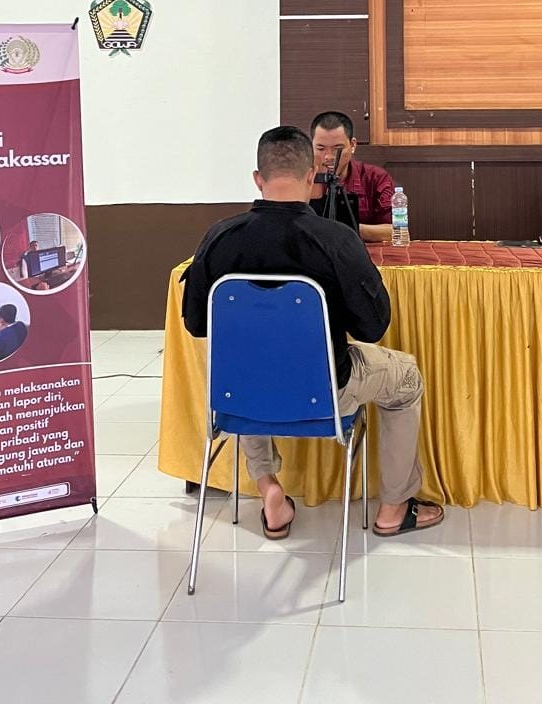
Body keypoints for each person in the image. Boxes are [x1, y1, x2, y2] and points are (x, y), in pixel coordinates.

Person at [181, 125, 443, 540]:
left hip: (237, 394)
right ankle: (395, 507)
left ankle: (268, 486)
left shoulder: (218, 237)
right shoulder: (336, 239)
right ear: (310, 177)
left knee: (249, 370)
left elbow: (196, 324)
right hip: (325, 393)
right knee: (406, 377)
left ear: (258, 179)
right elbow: (372, 328)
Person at [309, 111, 395, 244]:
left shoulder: (375, 178)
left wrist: (345, 229)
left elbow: (394, 231)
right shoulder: (302, 178)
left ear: (353, 145)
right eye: (320, 149)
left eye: (337, 149)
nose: (329, 157)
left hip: (359, 252)